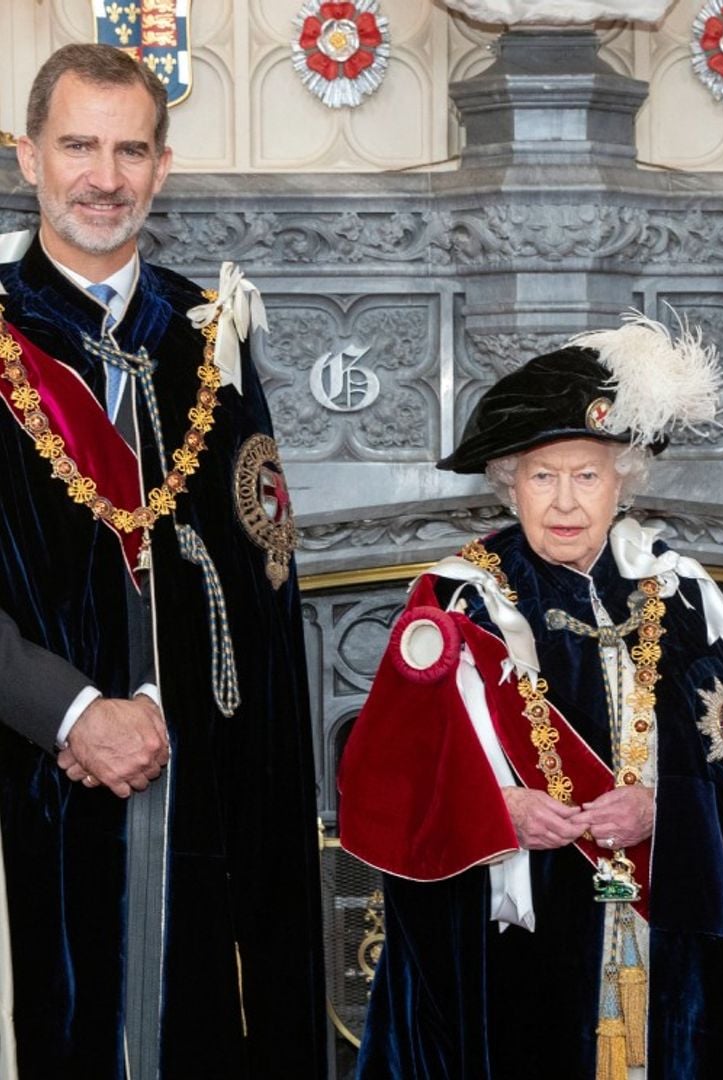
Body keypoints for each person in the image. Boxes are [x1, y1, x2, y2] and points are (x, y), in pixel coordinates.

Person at [338, 314, 723, 1079]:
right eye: (542, 475)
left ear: (622, 481)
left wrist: (663, 806)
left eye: (587, 475)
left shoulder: (681, 598)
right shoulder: (457, 605)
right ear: (508, 483)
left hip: (665, 930)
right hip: (513, 945)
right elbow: (379, 788)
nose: (564, 501)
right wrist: (496, 808)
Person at [0, 44, 325, 1077]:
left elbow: (265, 571)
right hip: (29, 785)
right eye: (79, 146)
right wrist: (70, 711)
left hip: (201, 797)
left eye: (130, 149)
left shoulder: (209, 334)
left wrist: (186, 711)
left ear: (163, 166)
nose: (105, 176)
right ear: (25, 157)